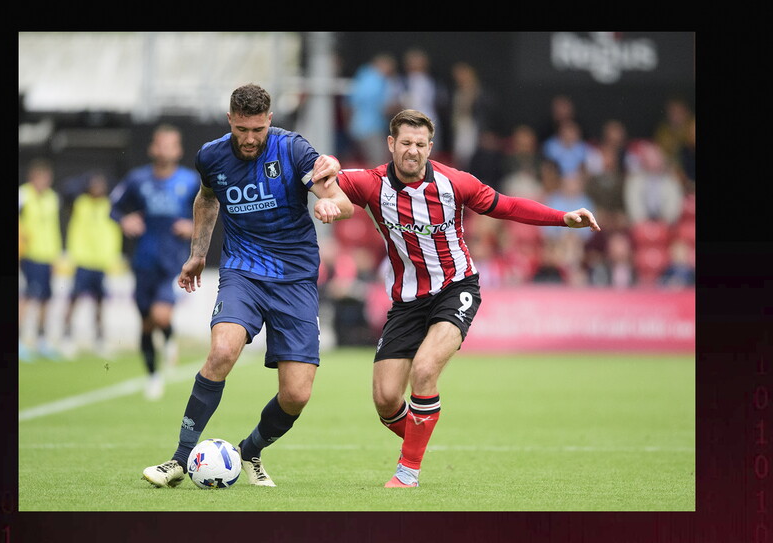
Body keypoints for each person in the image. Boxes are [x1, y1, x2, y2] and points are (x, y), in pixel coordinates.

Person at [335, 109, 599, 487]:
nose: (413, 151)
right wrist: (326, 187)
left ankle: (408, 472)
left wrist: (563, 218)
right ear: (391, 144)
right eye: (406, 143)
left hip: (456, 288)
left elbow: (507, 206)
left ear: (430, 147)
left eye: (421, 144)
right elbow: (321, 180)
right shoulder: (369, 183)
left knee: (425, 371)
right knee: (385, 399)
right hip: (407, 301)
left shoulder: (454, 183)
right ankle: (421, 433)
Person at [141, 83, 354, 489]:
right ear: (230, 122)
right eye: (242, 129)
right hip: (243, 271)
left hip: (295, 279)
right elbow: (207, 199)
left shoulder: (293, 150)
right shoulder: (211, 155)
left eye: (258, 129)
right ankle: (179, 460)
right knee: (222, 351)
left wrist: (331, 205)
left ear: (269, 120)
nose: (250, 138)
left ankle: (250, 450)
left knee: (296, 395)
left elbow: (339, 199)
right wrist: (198, 253)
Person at [110, 124, 199, 400]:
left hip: (173, 259)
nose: (165, 149)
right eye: (160, 144)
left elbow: (210, 211)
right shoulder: (137, 180)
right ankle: (153, 375)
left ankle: (170, 337)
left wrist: (193, 225)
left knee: (161, 315)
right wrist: (125, 219)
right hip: (144, 258)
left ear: (179, 150)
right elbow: (113, 207)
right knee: (147, 323)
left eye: (171, 144)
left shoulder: (191, 180)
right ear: (152, 148)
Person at [60, 170, 123, 358]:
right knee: (74, 300)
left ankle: (100, 339)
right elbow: (66, 190)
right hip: (82, 260)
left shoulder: (109, 206)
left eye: (101, 185)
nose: (98, 189)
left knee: (100, 303)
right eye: (94, 185)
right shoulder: (80, 204)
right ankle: (67, 337)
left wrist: (113, 257)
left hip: (101, 262)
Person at [18, 157, 64, 362]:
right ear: (33, 178)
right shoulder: (23, 195)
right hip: (30, 254)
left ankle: (42, 340)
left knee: (46, 299)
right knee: (28, 298)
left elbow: (53, 227)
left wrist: (56, 254)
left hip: (48, 255)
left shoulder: (52, 198)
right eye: (41, 178)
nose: (44, 182)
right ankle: (20, 341)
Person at [346, 53, 400, 167]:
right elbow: (383, 106)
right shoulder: (377, 80)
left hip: (357, 126)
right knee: (378, 161)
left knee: (367, 158)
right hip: (371, 127)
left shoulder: (362, 76)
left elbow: (351, 103)